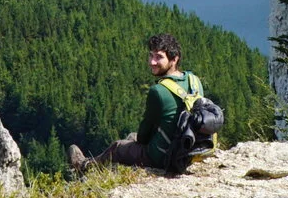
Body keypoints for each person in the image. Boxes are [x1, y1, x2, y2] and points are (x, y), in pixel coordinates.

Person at [69, 32, 213, 174]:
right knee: (131, 137)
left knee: (118, 147)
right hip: (189, 149)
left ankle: (84, 166)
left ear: (174, 59)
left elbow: (144, 136)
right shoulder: (194, 80)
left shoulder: (158, 91)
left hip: (164, 157)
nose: (152, 62)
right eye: (151, 55)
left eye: (159, 57)